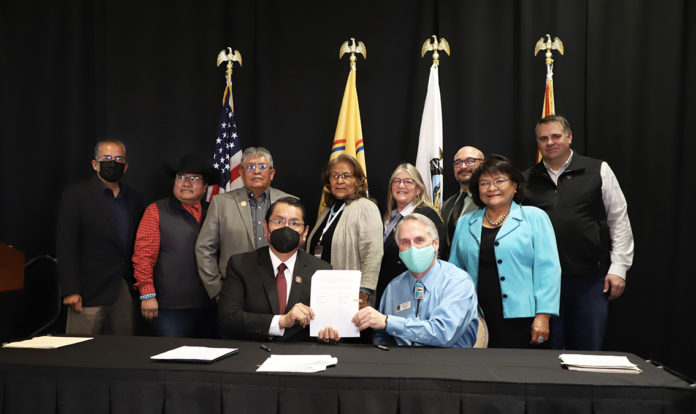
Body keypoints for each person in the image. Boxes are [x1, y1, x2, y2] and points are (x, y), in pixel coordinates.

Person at [523, 115, 634, 350]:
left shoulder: (597, 170)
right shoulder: (526, 179)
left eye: (556, 136)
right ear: (538, 143)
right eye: (543, 139)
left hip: (590, 281)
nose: (550, 142)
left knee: (588, 352)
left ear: (569, 136)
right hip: (542, 284)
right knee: (545, 355)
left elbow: (618, 219)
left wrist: (619, 267)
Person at [450, 155, 561, 348]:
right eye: (484, 183)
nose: (492, 188)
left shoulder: (535, 218)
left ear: (515, 185)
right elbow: (454, 272)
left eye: (499, 181)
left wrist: (543, 316)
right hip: (475, 319)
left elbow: (548, 270)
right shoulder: (465, 222)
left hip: (523, 320)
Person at [218, 197, 339, 342]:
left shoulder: (321, 270)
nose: (286, 228)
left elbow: (328, 324)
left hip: (301, 356)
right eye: (278, 221)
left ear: (305, 232)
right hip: (252, 354)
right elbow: (228, 319)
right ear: (265, 228)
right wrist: (281, 321)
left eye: (294, 223)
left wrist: (329, 334)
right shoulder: (241, 264)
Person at [57, 139, 145, 335]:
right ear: (95, 164)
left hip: (123, 289)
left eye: (118, 159)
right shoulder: (76, 195)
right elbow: (66, 246)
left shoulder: (136, 199)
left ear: (126, 166)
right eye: (106, 158)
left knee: (122, 351)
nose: (112, 162)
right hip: (88, 291)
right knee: (79, 350)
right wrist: (71, 289)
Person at [353, 213, 478, 347]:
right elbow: (381, 336)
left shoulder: (457, 281)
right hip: (402, 364)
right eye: (405, 242)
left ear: (435, 243)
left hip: (449, 364)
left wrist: (389, 322)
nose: (412, 248)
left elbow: (443, 333)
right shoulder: (393, 288)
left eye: (419, 240)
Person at [132, 154, 219, 338]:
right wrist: (147, 295)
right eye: (181, 177)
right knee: (172, 361)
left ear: (205, 187)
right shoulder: (155, 211)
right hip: (169, 308)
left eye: (194, 178)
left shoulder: (215, 212)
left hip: (211, 306)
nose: (186, 183)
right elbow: (143, 256)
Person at [196, 147, 295, 300]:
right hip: (234, 290)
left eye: (262, 167)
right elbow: (204, 248)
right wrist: (216, 289)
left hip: (279, 288)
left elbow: (299, 247)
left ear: (272, 173)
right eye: (250, 167)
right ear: (241, 174)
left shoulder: (291, 203)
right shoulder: (221, 203)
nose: (256, 171)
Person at [307, 154, 383, 307]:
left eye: (346, 176)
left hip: (349, 298)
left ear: (357, 180)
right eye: (335, 176)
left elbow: (373, 253)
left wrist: (364, 291)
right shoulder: (327, 211)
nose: (339, 180)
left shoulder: (366, 207)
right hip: (320, 294)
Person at [377, 163, 446, 305]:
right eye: (396, 181)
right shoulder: (390, 217)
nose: (401, 185)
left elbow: (438, 255)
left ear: (419, 189)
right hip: (389, 289)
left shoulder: (426, 214)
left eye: (408, 181)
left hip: (415, 293)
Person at [440, 146, 484, 251]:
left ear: (483, 164)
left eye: (470, 161)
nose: (463, 166)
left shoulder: (489, 201)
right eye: (458, 163)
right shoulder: (447, 204)